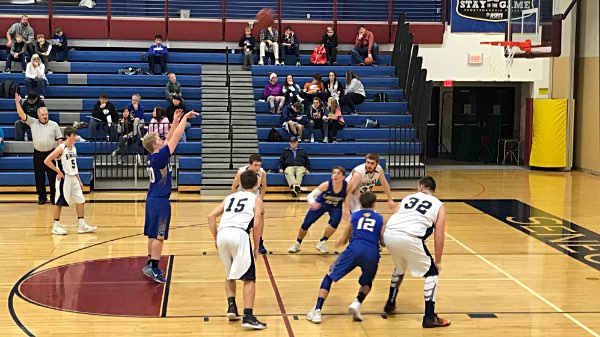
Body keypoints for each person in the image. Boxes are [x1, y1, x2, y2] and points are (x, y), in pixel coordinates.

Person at [382, 176, 451, 328]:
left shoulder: (408, 198)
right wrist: (438, 261)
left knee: (399, 267)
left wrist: (382, 239)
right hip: (410, 237)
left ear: (420, 187)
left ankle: (390, 303)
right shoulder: (439, 205)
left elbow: (391, 217)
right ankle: (429, 317)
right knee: (432, 273)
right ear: (433, 190)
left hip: (390, 233)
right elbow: (439, 235)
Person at [306, 192, 385, 324]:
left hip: (354, 248)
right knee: (367, 282)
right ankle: (357, 302)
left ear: (360, 203)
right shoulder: (380, 218)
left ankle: (317, 310)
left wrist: (337, 243)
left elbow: (343, 240)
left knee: (329, 276)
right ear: (374, 203)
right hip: (372, 251)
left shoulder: (354, 217)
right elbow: (382, 242)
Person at [141, 108, 199, 283]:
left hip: (152, 199)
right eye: (159, 139)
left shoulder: (153, 156)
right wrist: (185, 119)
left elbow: (168, 139)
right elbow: (174, 139)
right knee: (159, 235)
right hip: (159, 201)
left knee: (152, 234)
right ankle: (154, 267)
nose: (162, 140)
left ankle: (149, 263)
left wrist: (174, 121)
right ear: (154, 145)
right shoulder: (160, 157)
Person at [207, 170, 268, 330]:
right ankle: (248, 316)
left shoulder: (230, 197)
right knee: (249, 278)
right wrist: (256, 247)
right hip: (239, 234)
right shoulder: (256, 199)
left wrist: (215, 237)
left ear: (240, 183)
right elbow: (256, 225)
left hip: (223, 234)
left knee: (229, 273)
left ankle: (232, 307)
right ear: (257, 184)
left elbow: (211, 216)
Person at [43, 127, 96, 235]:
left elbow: (74, 165)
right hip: (65, 178)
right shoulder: (61, 148)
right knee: (59, 202)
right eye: (73, 135)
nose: (76, 137)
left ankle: (82, 225)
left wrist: (79, 180)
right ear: (67, 136)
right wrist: (58, 172)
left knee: (81, 201)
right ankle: (56, 226)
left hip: (73, 178)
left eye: (76, 135)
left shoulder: (74, 148)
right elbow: (47, 160)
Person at [15, 94, 62, 205]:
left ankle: (54, 196)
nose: (45, 116)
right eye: (43, 115)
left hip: (51, 154)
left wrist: (59, 152)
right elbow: (22, 115)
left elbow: (59, 138)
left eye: (46, 114)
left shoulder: (54, 125)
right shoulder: (33, 122)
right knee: (39, 177)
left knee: (52, 177)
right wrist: (17, 103)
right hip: (38, 154)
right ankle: (42, 197)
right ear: (38, 115)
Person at [288, 166, 347, 254]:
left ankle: (322, 242)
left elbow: (350, 197)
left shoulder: (347, 186)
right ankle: (297, 243)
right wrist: (312, 203)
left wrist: (347, 208)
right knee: (306, 223)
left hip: (335, 206)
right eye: (334, 173)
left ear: (343, 177)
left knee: (335, 222)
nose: (335, 175)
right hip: (321, 204)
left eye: (338, 173)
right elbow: (310, 196)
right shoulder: (326, 184)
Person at [231, 154, 268, 254]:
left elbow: (264, 187)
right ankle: (239, 240)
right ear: (250, 164)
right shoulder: (241, 172)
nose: (258, 167)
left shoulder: (262, 173)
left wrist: (260, 199)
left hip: (255, 196)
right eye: (255, 165)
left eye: (259, 165)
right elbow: (233, 187)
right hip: (242, 196)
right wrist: (235, 198)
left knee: (260, 216)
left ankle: (259, 241)